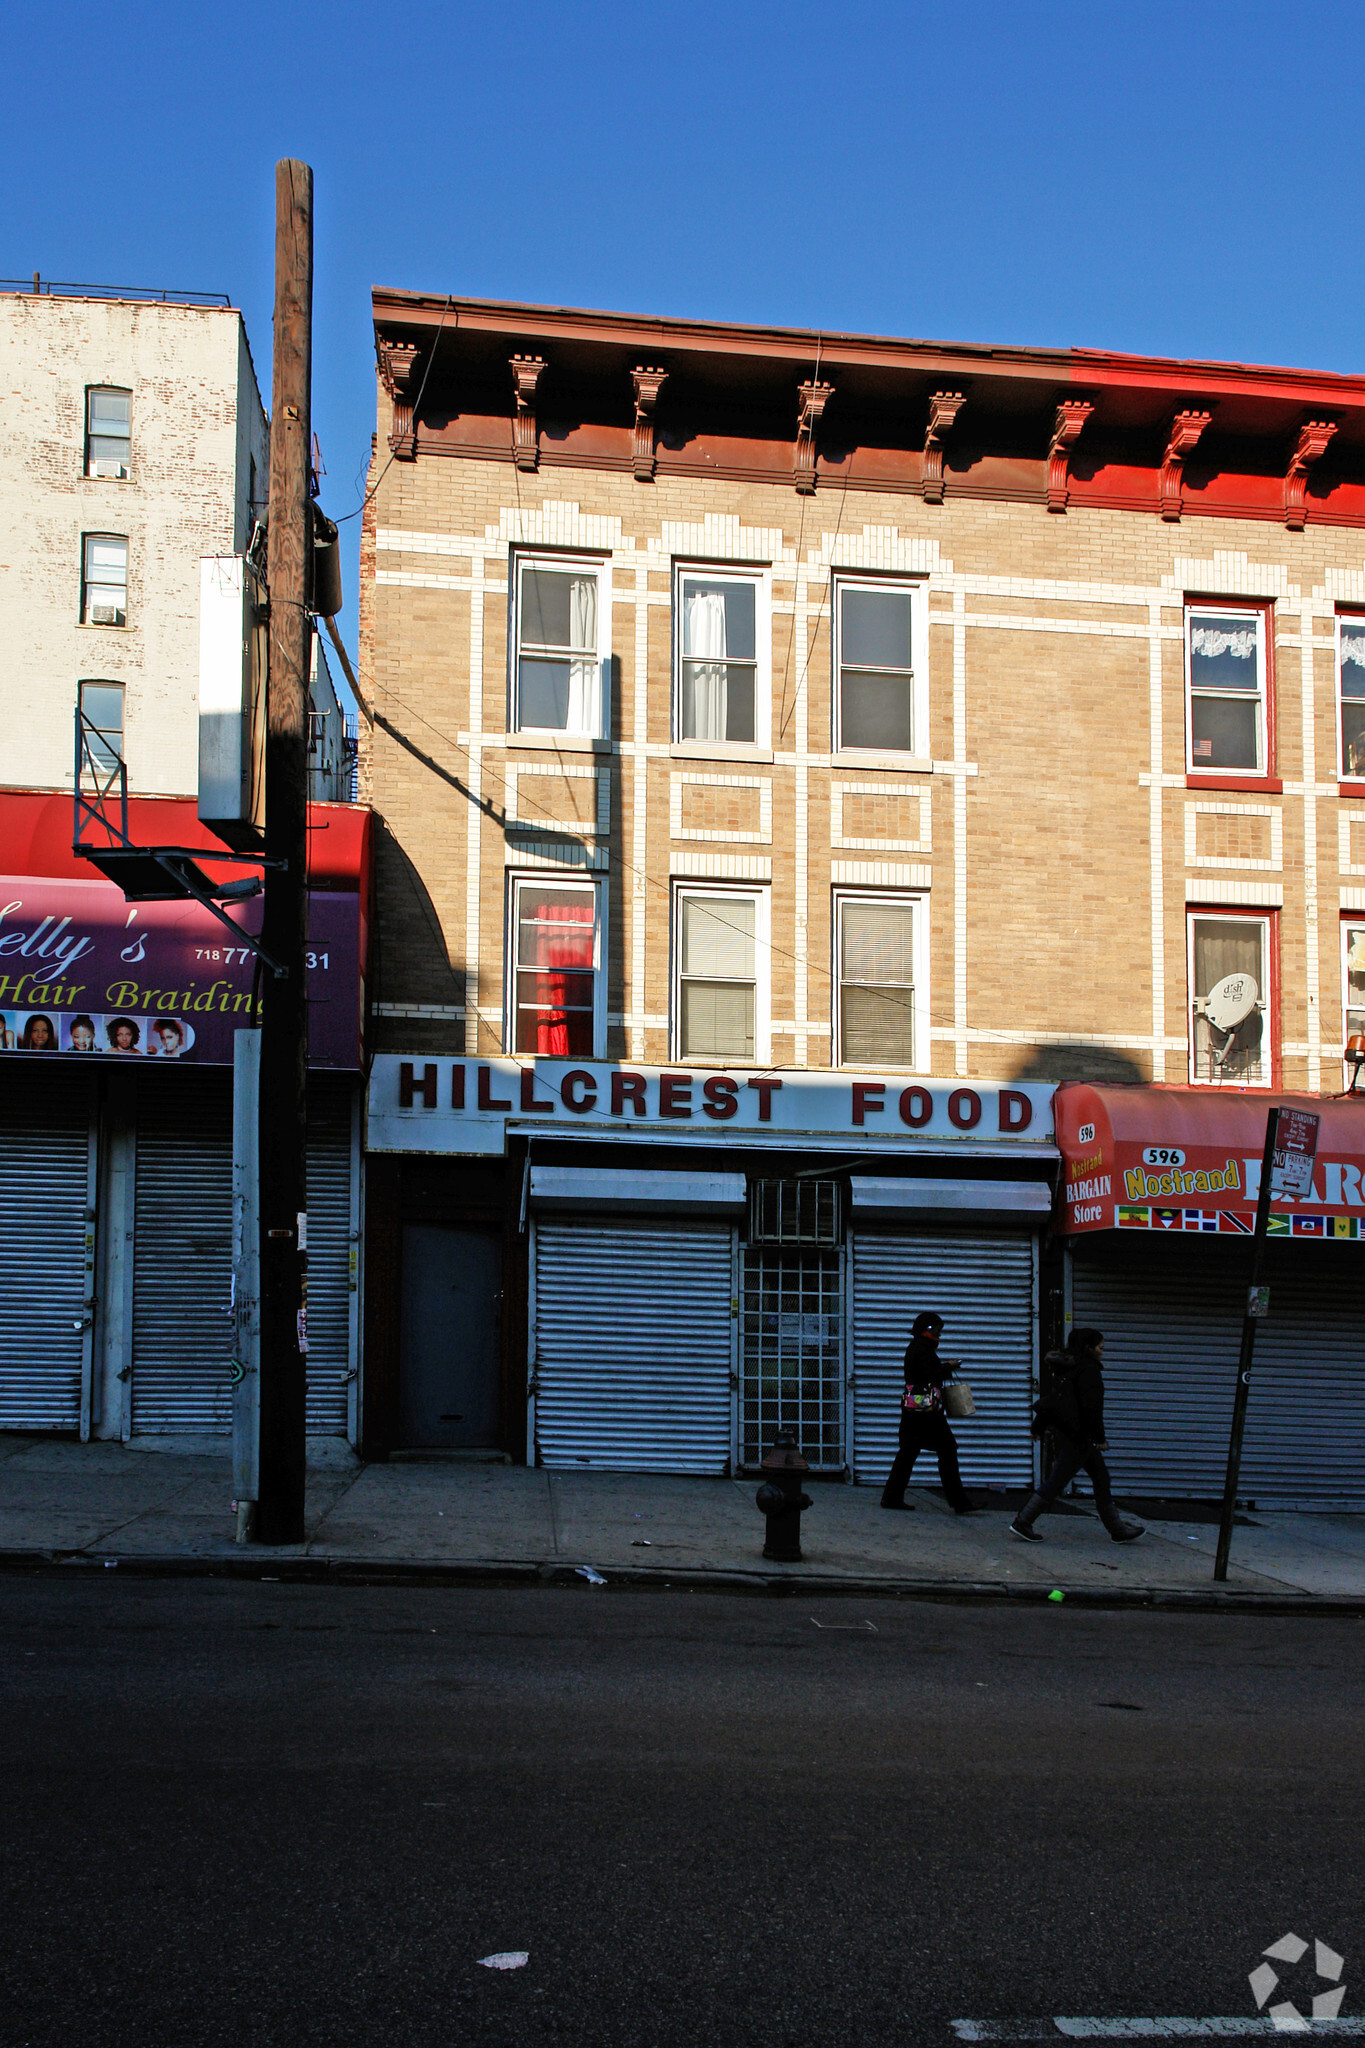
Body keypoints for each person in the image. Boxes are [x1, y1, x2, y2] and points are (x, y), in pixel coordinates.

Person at [1010, 1327, 1144, 1543]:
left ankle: (1117, 1529)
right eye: (1100, 1347)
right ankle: (1023, 1521)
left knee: (1101, 1477)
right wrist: (1099, 1438)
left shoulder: (1068, 1369)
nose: (1103, 1351)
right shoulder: (1088, 1370)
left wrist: (1038, 1427)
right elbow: (1091, 1408)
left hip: (1071, 1433)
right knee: (1058, 1480)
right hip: (1078, 1436)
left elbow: (1053, 1401)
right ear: (1088, 1348)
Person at [880, 1310, 977, 1515]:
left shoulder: (916, 1347)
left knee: (908, 1452)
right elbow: (929, 1373)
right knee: (947, 1448)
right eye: (938, 1329)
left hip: (913, 1409)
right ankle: (959, 1501)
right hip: (926, 1411)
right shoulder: (923, 1348)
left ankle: (892, 1497)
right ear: (930, 1329)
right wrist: (948, 1367)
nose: (940, 1334)